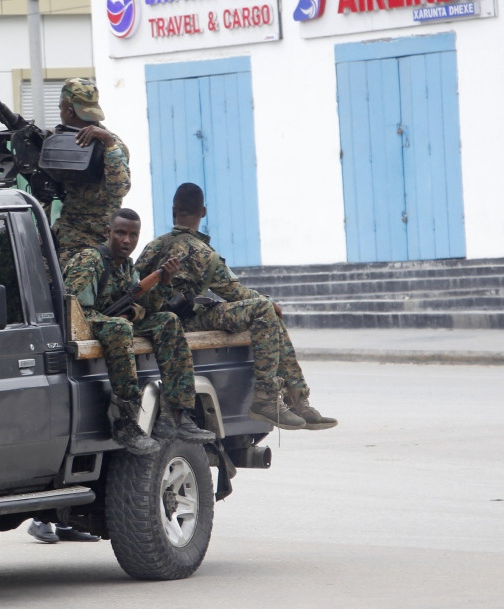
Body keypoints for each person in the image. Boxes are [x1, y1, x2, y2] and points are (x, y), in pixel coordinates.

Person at [28, 207, 213, 544]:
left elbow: (147, 306)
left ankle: (179, 412)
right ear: (107, 232)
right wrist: (122, 316)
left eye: (132, 235)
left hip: (113, 321)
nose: (127, 240)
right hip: (85, 324)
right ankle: (125, 417)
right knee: (117, 327)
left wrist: (161, 285)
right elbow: (73, 307)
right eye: (120, 233)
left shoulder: (127, 266)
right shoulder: (91, 260)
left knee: (168, 322)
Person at [136, 183, 337, 430]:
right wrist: (267, 301)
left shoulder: (153, 247)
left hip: (158, 321)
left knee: (264, 308)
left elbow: (135, 285)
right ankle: (274, 397)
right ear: (204, 212)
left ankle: (296, 399)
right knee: (264, 309)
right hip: (186, 322)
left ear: (173, 211)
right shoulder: (202, 252)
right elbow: (234, 293)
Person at [51, 78, 131, 266]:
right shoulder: (64, 141)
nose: (60, 113)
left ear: (69, 111)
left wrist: (108, 144)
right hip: (65, 239)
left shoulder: (112, 145)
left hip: (95, 249)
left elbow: (120, 188)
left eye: (60, 108)